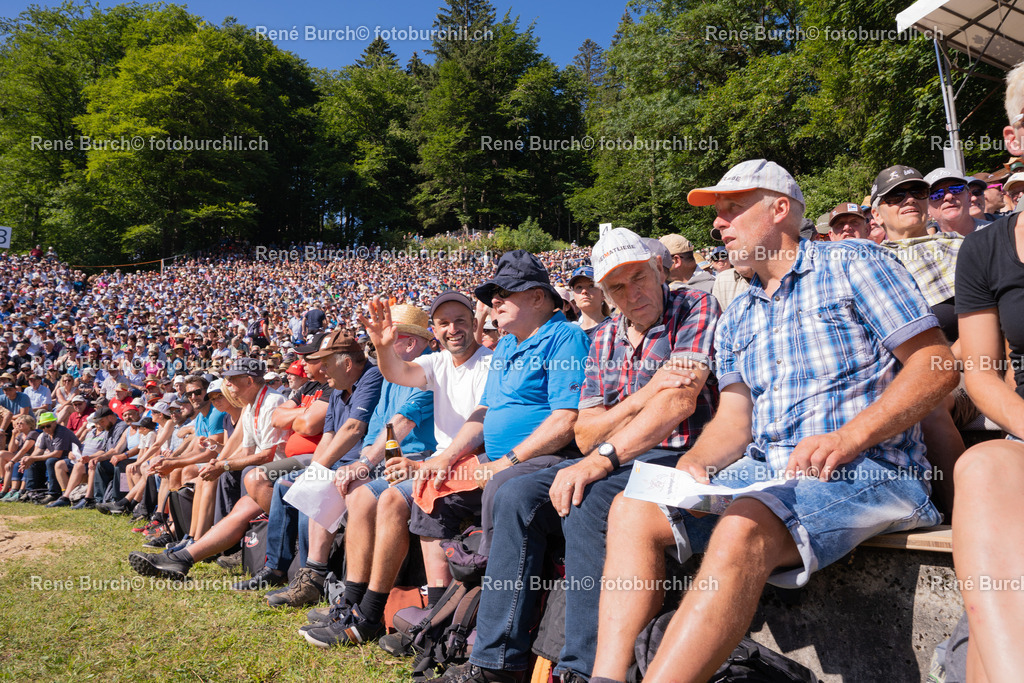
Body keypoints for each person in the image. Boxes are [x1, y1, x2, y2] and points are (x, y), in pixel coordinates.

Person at [586, 159, 957, 683]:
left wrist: (849, 437)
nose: (718, 224)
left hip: (872, 467)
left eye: (732, 210)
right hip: (768, 474)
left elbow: (937, 365)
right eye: (718, 215)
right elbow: (735, 420)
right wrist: (696, 461)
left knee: (744, 521)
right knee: (632, 510)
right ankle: (605, 678)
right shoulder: (739, 312)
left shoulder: (853, 261)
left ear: (780, 209)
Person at [440, 228, 720, 683]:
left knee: (585, 496)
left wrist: (605, 450)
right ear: (605, 293)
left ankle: (581, 668)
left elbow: (678, 403)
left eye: (638, 278)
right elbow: (586, 433)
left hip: (681, 454)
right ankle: (495, 662)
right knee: (515, 495)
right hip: (619, 457)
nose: (632, 294)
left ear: (659, 268)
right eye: (617, 287)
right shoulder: (605, 336)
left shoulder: (694, 306)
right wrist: (641, 398)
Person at [300, 294, 490, 644]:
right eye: (444, 323)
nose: (452, 329)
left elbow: (414, 423)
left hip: (454, 464)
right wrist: (382, 344)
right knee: (357, 494)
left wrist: (378, 464)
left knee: (385, 496)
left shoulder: (488, 363)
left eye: (460, 320)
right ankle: (352, 602)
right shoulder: (434, 363)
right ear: (435, 330)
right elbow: (395, 377)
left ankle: (372, 613)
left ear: (474, 322)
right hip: (431, 464)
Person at [949, 61, 1024, 682]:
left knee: (981, 642)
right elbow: (980, 373)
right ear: (1014, 137)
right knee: (979, 465)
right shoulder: (985, 248)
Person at [925, 168, 988, 236]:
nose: (949, 196)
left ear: (969, 197)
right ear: (927, 207)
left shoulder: (994, 233)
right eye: (936, 194)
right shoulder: (926, 242)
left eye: (957, 189)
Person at [567, 266, 611, 339]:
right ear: (574, 296)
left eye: (591, 286)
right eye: (579, 287)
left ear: (603, 293)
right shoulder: (571, 334)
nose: (584, 291)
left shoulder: (615, 328)